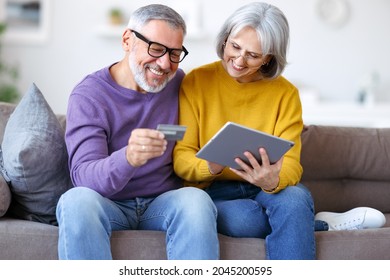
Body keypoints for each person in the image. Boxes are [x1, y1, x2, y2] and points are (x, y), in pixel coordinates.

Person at [56, 4, 219, 260]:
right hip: (110, 204)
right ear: (127, 40)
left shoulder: (179, 84)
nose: (165, 63)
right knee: (75, 202)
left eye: (175, 53)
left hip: (163, 203)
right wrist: (128, 158)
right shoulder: (89, 95)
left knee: (196, 201)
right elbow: (83, 177)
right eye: (156, 49)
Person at [173, 2, 316, 259]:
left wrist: (272, 180)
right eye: (235, 47)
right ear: (225, 39)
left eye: (253, 55)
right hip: (214, 190)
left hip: (268, 189)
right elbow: (181, 156)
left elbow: (292, 165)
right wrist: (211, 165)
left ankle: (300, 220)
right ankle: (313, 223)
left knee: (295, 201)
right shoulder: (196, 81)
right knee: (247, 221)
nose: (239, 61)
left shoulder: (285, 94)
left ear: (269, 58)